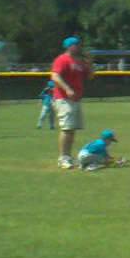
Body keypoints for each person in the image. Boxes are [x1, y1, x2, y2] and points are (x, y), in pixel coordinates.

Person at [51, 36, 93, 169]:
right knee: (67, 128)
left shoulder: (80, 62)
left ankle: (68, 156)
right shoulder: (62, 59)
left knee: (72, 129)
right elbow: (55, 76)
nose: (80, 47)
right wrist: (67, 89)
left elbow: (91, 76)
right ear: (70, 46)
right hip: (63, 99)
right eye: (77, 45)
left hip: (76, 99)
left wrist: (89, 63)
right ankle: (63, 158)